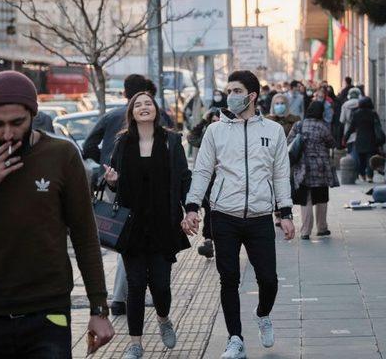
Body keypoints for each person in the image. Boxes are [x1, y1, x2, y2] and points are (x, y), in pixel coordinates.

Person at [0, 70, 114, 357]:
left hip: (48, 311)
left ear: (33, 116)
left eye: (17, 123)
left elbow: (85, 234)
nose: (8, 133)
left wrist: (99, 308)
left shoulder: (61, 155)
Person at [182, 70, 295, 359]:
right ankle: (235, 339)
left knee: (268, 279)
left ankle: (263, 314)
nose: (229, 96)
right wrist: (192, 207)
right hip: (224, 215)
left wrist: (285, 212)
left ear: (252, 95)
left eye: (235, 91)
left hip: (259, 217)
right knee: (228, 278)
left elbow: (281, 173)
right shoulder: (215, 131)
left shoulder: (273, 131)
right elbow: (203, 170)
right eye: (228, 90)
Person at [104, 91, 192, 358]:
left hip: (163, 224)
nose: (143, 107)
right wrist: (111, 180)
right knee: (135, 284)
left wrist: (190, 210)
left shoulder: (171, 141)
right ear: (131, 112)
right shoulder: (123, 143)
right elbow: (114, 181)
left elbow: (184, 178)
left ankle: (164, 320)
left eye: (148, 104)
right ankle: (135, 343)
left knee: (161, 285)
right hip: (132, 228)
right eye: (137, 105)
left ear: (156, 110)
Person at [82, 74, 164, 317]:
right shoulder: (155, 118)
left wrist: (107, 165)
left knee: (124, 238)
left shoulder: (110, 117)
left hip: (111, 186)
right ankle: (120, 298)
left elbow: (87, 148)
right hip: (142, 191)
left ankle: (122, 296)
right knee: (129, 241)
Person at [287, 101, 337, 240]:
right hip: (321, 168)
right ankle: (322, 228)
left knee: (306, 199)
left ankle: (305, 231)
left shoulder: (299, 125)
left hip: (303, 167)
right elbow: (332, 143)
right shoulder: (323, 126)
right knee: (321, 198)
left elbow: (289, 142)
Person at [187, 108, 222, 259]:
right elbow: (191, 138)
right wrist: (202, 121)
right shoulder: (207, 135)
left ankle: (219, 242)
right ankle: (208, 240)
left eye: (219, 121)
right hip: (208, 181)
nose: (216, 125)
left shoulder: (230, 137)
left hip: (225, 182)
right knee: (209, 210)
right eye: (213, 121)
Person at [344, 97, 379, 182]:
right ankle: (370, 176)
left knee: (361, 159)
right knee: (370, 158)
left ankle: (362, 174)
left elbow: (351, 128)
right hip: (371, 138)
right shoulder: (373, 113)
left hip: (360, 139)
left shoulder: (356, 113)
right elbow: (378, 127)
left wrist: (345, 138)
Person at [340, 87, 362, 162]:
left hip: (348, 131)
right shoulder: (361, 103)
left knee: (350, 151)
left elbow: (342, 120)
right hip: (360, 131)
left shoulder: (345, 105)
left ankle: (352, 167)